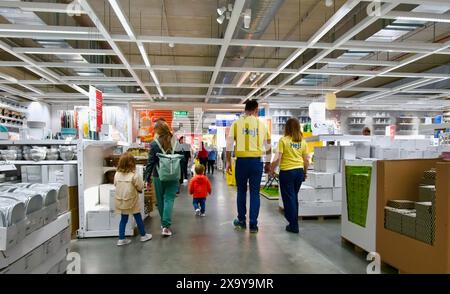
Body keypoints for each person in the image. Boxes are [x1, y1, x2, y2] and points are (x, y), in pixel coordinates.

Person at [226, 100, 271, 233]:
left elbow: (229, 145)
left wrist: (228, 161)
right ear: (256, 110)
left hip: (241, 162)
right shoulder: (262, 125)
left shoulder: (236, 124)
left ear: (245, 109)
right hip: (256, 162)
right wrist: (268, 163)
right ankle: (253, 224)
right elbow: (268, 147)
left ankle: (241, 220)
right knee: (255, 193)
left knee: (241, 192)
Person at [270, 118, 309, 234]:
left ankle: (293, 225)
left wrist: (271, 168)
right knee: (294, 197)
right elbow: (306, 160)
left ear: (286, 127)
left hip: (287, 172)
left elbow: (277, 158)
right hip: (299, 172)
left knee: (289, 198)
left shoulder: (283, 140)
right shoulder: (303, 141)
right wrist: (305, 172)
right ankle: (293, 222)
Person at [145, 120, 179, 237]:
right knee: (169, 199)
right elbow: (182, 160)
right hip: (173, 175)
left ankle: (163, 223)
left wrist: (146, 179)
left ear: (157, 131)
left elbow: (150, 163)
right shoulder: (175, 142)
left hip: (158, 175)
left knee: (160, 201)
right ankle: (166, 226)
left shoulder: (154, 144)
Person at [114, 152, 152, 246]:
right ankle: (143, 235)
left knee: (123, 219)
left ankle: (121, 239)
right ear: (132, 163)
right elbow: (140, 186)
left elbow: (115, 184)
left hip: (121, 200)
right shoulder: (134, 175)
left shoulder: (117, 174)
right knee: (138, 217)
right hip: (132, 200)